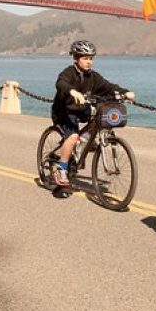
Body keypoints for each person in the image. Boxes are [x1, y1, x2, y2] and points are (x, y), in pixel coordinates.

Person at [50, 40, 135, 195]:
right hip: (64, 112)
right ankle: (61, 169)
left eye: (91, 58)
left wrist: (125, 92)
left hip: (82, 110)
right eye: (85, 58)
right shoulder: (68, 73)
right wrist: (72, 92)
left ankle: (82, 145)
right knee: (73, 136)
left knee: (98, 121)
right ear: (76, 58)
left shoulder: (93, 77)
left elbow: (108, 87)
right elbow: (61, 83)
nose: (89, 62)